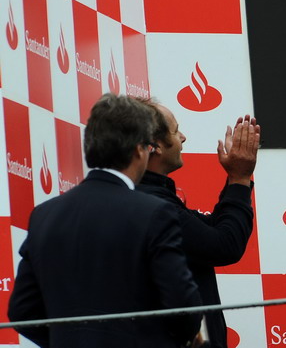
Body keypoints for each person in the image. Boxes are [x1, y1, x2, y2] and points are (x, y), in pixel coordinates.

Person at [7, 94, 203, 348]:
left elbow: (23, 311)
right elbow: (184, 308)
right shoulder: (154, 213)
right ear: (139, 150)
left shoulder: (44, 215)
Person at [137, 100, 260, 348]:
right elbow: (224, 245)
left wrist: (237, 180)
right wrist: (240, 178)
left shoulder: (156, 197)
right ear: (156, 145)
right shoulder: (152, 204)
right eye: (175, 131)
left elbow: (213, 232)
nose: (183, 138)